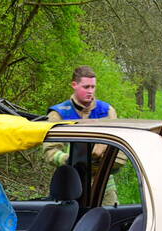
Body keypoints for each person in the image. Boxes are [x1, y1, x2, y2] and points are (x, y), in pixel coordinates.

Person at [44, 66, 121, 205]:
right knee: (69, 222)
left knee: (108, 220)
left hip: (103, 183)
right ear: (74, 85)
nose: (90, 91)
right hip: (70, 182)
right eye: (86, 87)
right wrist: (70, 159)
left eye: (93, 87)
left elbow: (118, 149)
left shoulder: (107, 111)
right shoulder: (58, 114)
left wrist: (102, 152)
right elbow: (49, 151)